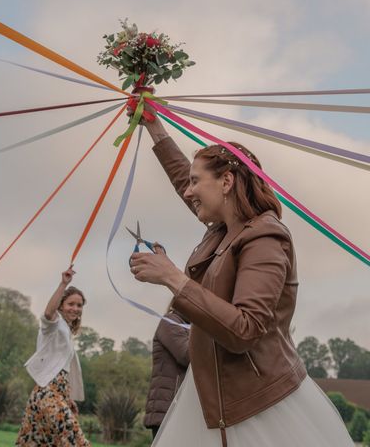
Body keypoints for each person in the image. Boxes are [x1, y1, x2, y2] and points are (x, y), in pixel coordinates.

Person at [128, 111, 354, 446]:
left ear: (227, 182)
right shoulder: (222, 230)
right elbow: (184, 180)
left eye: (195, 182)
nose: (188, 192)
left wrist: (173, 278)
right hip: (212, 393)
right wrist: (154, 127)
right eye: (188, 183)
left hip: (258, 402)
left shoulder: (265, 237)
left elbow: (245, 328)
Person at [16, 266, 90, 447]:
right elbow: (48, 313)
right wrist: (63, 284)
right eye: (71, 304)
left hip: (57, 394)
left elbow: (62, 368)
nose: (75, 308)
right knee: (75, 440)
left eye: (79, 305)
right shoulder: (53, 326)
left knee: (37, 443)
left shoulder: (66, 332)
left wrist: (68, 397)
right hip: (47, 393)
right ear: (61, 306)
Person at [144, 307, 189, 439]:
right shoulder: (170, 321)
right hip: (167, 411)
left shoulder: (189, 325)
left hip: (178, 411)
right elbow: (186, 356)